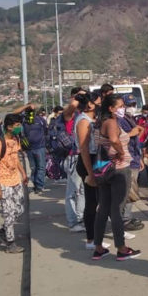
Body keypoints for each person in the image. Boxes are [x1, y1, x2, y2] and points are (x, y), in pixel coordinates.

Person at [91, 94, 141, 261]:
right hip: (118, 170)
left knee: (103, 208)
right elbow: (114, 139)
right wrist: (120, 152)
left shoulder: (99, 122)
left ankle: (98, 247)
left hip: (104, 170)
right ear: (111, 108)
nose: (123, 108)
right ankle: (121, 248)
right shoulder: (111, 123)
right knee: (117, 209)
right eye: (120, 106)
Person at [73, 91, 112, 250]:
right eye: (97, 102)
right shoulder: (83, 121)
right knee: (91, 202)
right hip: (87, 162)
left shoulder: (92, 119)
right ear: (89, 104)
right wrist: (90, 173)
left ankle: (97, 236)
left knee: (98, 201)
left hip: (96, 161)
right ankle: (91, 239)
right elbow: (83, 148)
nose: (99, 105)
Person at [0, 114, 29, 254]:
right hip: (4, 182)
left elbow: (16, 158)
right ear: (9, 127)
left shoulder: (15, 139)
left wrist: (23, 173)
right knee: (8, 213)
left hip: (16, 180)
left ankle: (4, 231)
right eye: (17, 125)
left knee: (19, 210)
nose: (19, 128)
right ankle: (10, 244)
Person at [116, 94, 145, 229]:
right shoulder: (119, 121)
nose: (132, 108)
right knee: (128, 192)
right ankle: (125, 219)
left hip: (134, 157)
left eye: (134, 105)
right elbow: (121, 139)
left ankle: (126, 217)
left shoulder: (130, 118)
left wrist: (140, 158)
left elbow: (136, 142)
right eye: (128, 105)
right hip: (127, 159)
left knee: (131, 191)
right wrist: (132, 133)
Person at [63, 88, 86, 232]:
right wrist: (77, 99)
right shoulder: (70, 115)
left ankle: (80, 218)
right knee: (72, 192)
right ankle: (73, 222)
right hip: (73, 156)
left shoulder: (83, 115)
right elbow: (69, 109)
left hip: (83, 156)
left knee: (82, 190)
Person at [16, 105, 49, 194]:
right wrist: (27, 105)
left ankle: (39, 186)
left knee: (41, 167)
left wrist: (47, 146)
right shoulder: (23, 120)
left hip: (40, 147)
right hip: (29, 148)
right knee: (34, 168)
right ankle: (36, 185)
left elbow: (46, 132)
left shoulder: (41, 120)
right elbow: (14, 113)